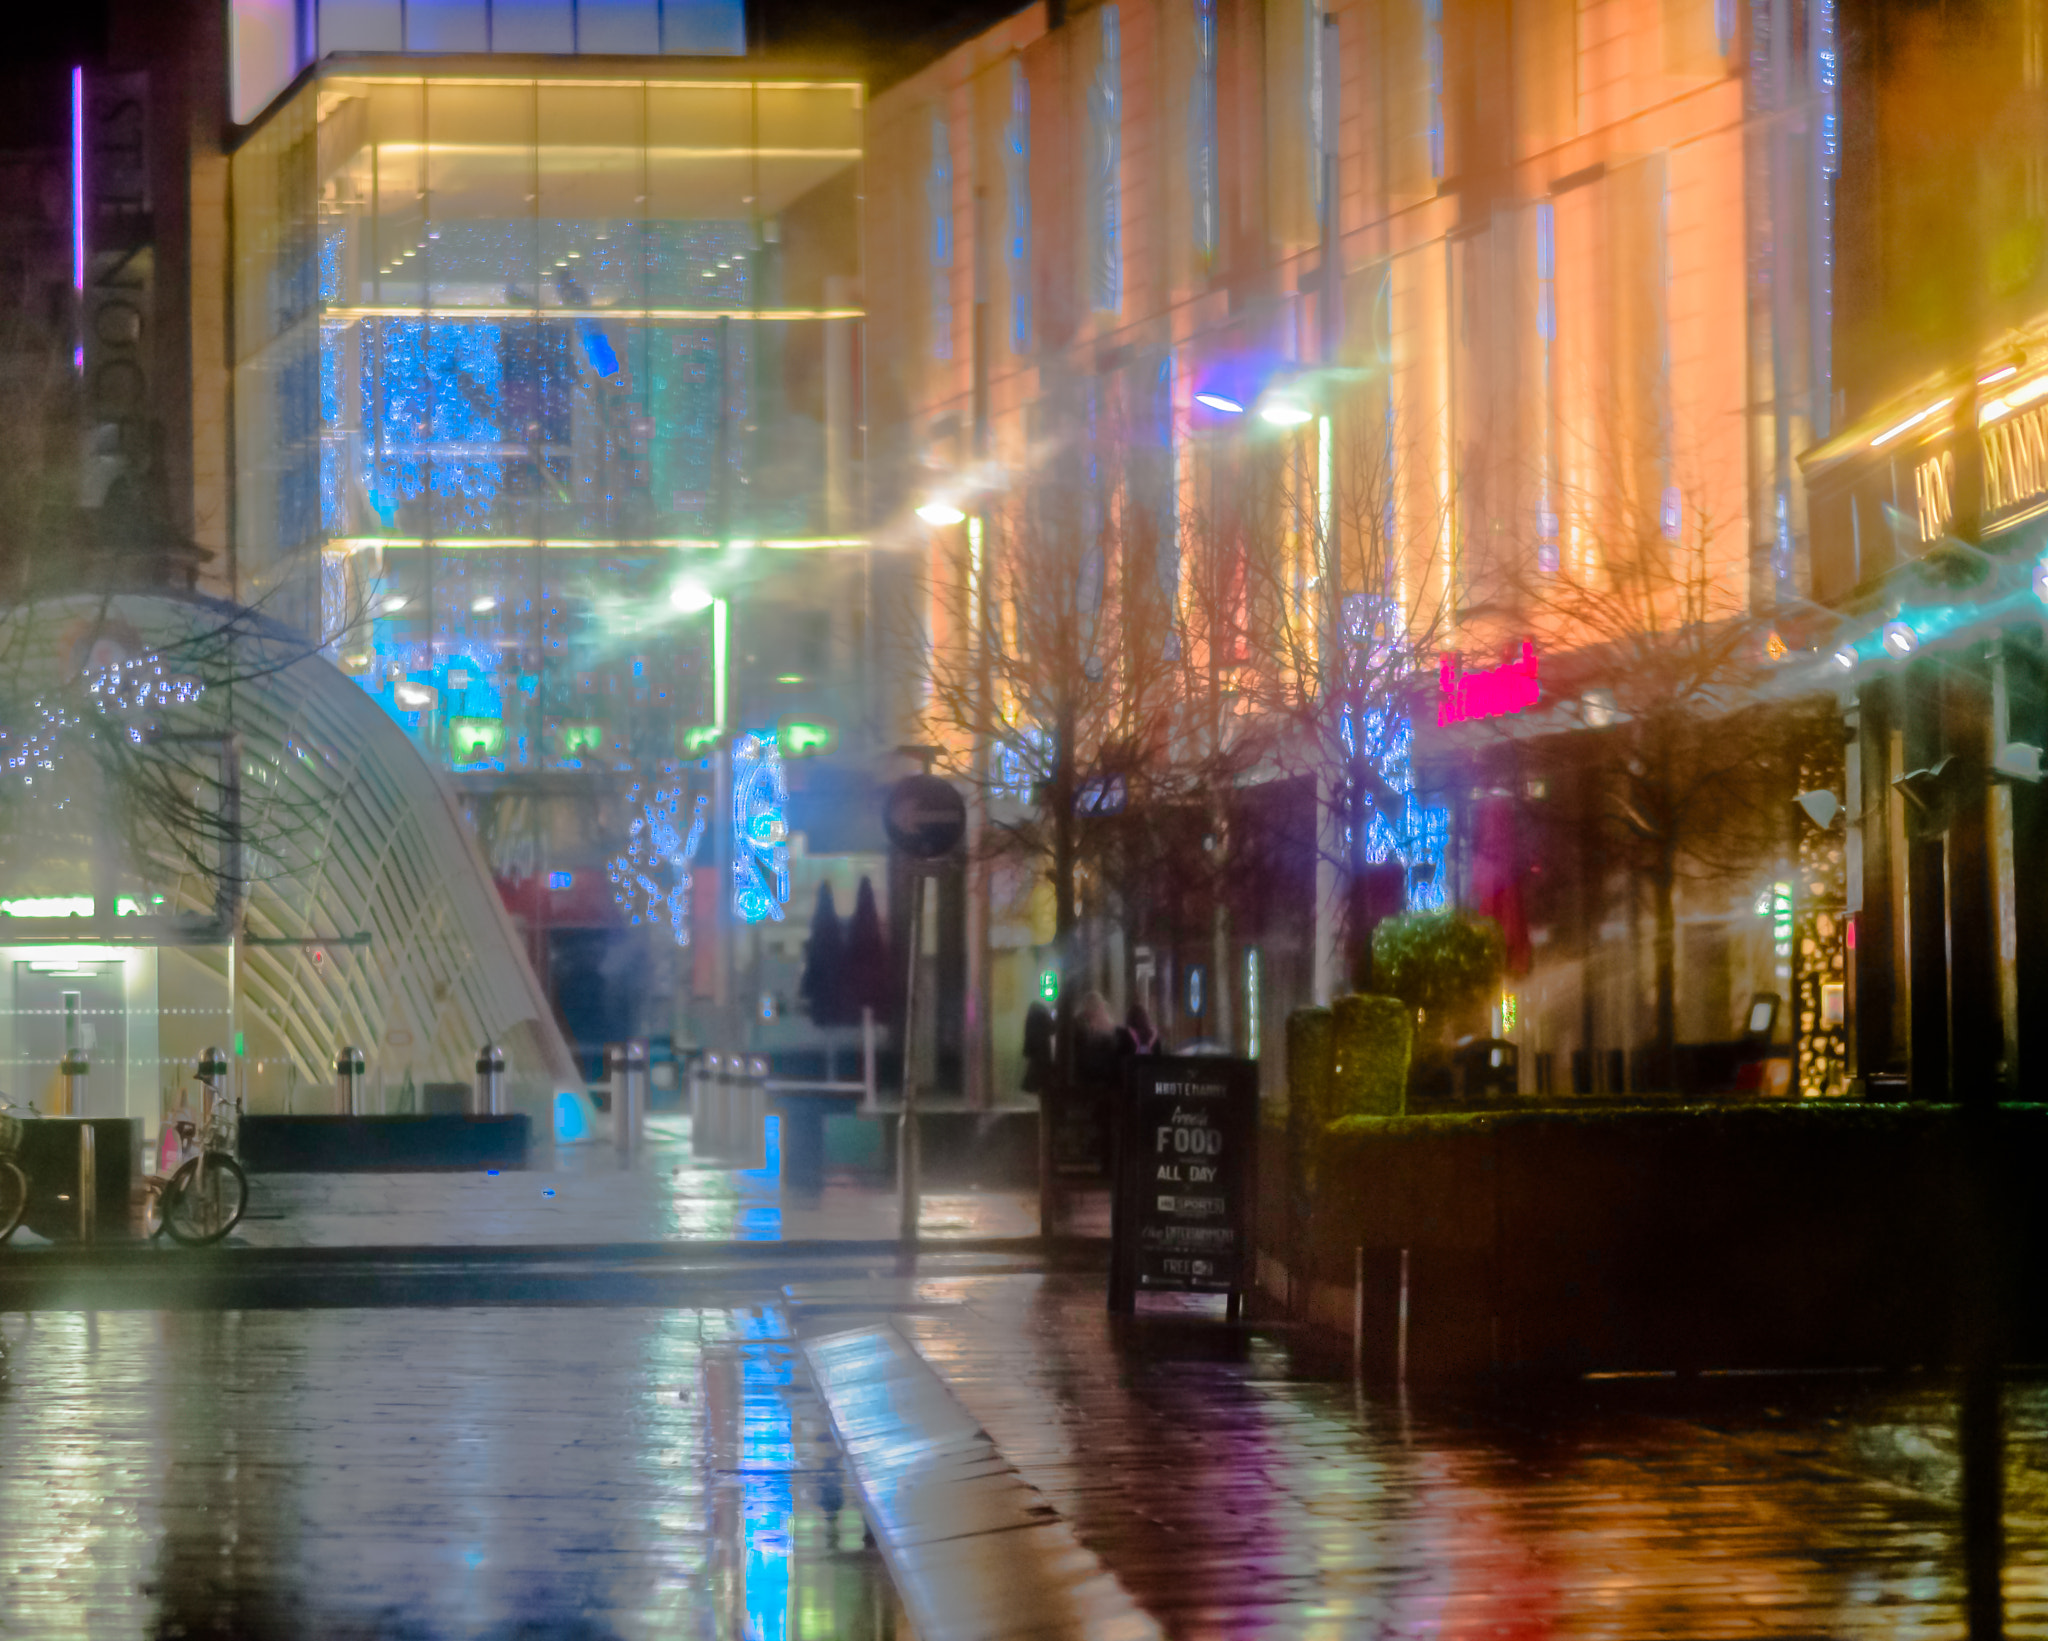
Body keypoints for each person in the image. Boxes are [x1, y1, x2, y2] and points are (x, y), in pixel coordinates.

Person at [1020, 1000, 1055, 1094]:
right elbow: (1052, 1029)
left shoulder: (1032, 1016)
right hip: (1044, 1055)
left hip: (1036, 1055)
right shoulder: (1043, 1016)